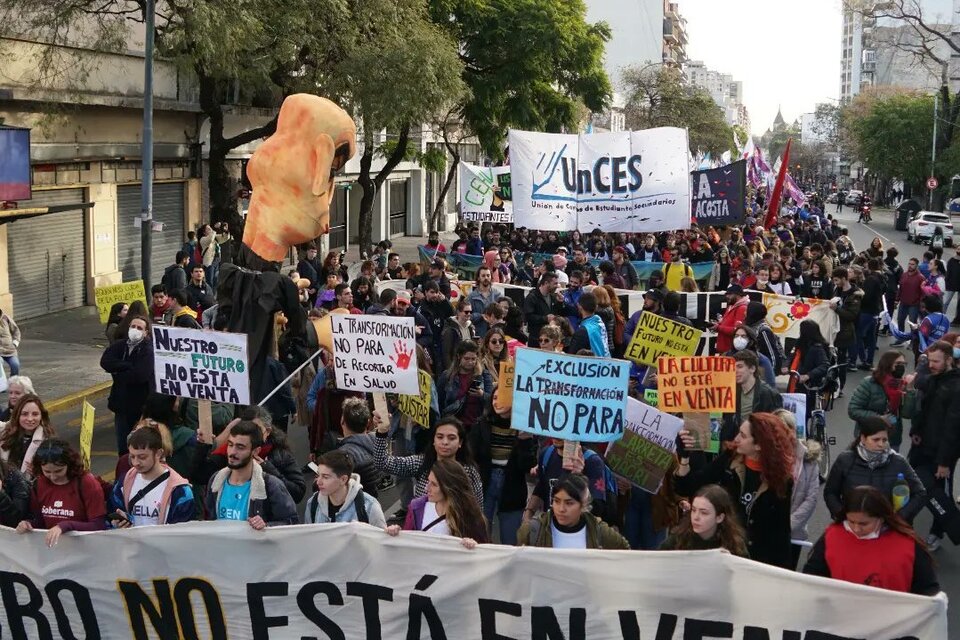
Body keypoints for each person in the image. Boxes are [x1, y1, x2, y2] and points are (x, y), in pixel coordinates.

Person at [676, 412, 795, 568]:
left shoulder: (782, 480)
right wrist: (685, 458)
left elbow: (781, 532)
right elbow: (688, 486)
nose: (737, 438)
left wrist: (783, 576)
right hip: (725, 553)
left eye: (743, 436)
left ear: (759, 445)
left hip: (758, 561)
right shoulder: (729, 459)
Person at [804, 485, 939, 596]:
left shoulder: (907, 543)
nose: (856, 529)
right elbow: (813, 574)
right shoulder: (832, 536)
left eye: (864, 524)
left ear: (881, 518)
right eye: (851, 521)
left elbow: (927, 588)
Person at [905, 340, 960, 550]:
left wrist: (945, 462)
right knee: (912, 485)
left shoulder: (956, 387)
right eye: (930, 360)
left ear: (949, 360)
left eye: (936, 361)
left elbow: (953, 429)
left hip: (942, 453)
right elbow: (923, 410)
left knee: (940, 495)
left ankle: (937, 533)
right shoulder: (932, 379)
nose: (932, 364)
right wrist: (916, 431)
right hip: (921, 445)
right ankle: (904, 527)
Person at [824, 415, 925, 523]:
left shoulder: (898, 462)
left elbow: (920, 493)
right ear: (863, 438)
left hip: (888, 528)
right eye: (876, 439)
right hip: (853, 526)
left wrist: (899, 518)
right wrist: (843, 517)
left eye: (884, 440)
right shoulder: (845, 460)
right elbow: (830, 492)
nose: (881, 444)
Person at [374, 414, 484, 507]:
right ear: (433, 441)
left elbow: (477, 510)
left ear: (460, 442)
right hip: (423, 530)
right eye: (440, 437)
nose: (445, 442)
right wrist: (382, 432)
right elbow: (382, 463)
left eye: (451, 438)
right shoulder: (421, 462)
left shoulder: (469, 472)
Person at [204, 420, 299, 528]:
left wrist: (266, 526)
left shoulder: (271, 485)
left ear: (255, 451)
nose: (232, 452)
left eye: (240, 447)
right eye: (230, 445)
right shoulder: (216, 481)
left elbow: (291, 523)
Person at [470, 392, 536, 545]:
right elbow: (471, 456)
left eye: (503, 397)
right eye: (494, 398)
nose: (497, 402)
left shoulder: (524, 428)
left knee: (511, 540)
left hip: (512, 486)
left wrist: (524, 442)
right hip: (484, 483)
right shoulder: (481, 425)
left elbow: (527, 465)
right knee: (480, 537)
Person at [15, 439, 107, 547]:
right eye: (47, 472)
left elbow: (98, 525)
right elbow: (40, 521)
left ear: (69, 464)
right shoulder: (39, 483)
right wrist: (28, 524)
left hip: (85, 550)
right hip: (53, 551)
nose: (53, 477)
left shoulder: (86, 483)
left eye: (58, 471)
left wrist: (65, 526)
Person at [386, 458, 489, 548]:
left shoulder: (470, 517)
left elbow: (485, 554)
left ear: (450, 488)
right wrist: (396, 533)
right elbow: (406, 544)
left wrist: (475, 547)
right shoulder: (417, 507)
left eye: (434, 484)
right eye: (428, 481)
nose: (427, 488)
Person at [108, 425, 195, 527]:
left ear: (158, 453)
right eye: (132, 456)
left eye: (142, 457)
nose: (136, 463)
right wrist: (116, 524)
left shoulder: (180, 491)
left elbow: (181, 533)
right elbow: (110, 516)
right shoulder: (124, 482)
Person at [517, 473, 629, 549]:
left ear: (583, 505)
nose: (561, 509)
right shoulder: (532, 531)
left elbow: (626, 555)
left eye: (569, 503)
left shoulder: (600, 531)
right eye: (556, 501)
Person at [100, 315, 155, 455]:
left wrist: (118, 373)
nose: (135, 330)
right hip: (120, 405)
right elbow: (106, 361)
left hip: (139, 407)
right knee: (123, 447)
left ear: (146, 332)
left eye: (139, 328)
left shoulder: (147, 350)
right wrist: (127, 365)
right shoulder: (121, 345)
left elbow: (140, 375)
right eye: (133, 326)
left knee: (139, 446)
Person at [659, 484, 749, 556]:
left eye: (704, 513)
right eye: (693, 510)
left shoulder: (735, 545)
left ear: (719, 517)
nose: (696, 517)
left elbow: (746, 573)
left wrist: (730, 563)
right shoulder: (678, 539)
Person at [304, 451, 387, 527]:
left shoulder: (369, 507)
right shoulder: (313, 503)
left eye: (325, 477)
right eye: (318, 475)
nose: (318, 482)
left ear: (343, 479)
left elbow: (381, 540)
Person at [848, 351, 907, 450]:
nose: (901, 367)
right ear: (887, 364)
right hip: (869, 437)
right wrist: (879, 418)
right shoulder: (869, 383)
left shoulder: (903, 385)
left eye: (903, 364)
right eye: (898, 364)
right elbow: (853, 410)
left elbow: (907, 414)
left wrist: (910, 392)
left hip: (892, 439)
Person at [719, 350, 782, 442]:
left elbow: (776, 426)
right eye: (733, 367)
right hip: (736, 444)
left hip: (758, 444)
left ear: (752, 369)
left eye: (739, 367)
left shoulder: (768, 394)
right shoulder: (731, 391)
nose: (735, 371)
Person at [438, 340, 492, 433]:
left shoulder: (484, 375)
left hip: (477, 425)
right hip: (453, 424)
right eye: (466, 359)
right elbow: (440, 402)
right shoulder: (447, 376)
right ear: (459, 357)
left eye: (473, 359)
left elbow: (491, 400)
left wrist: (482, 394)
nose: (470, 362)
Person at [0, 393, 55, 479]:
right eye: (24, 414)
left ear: (41, 416)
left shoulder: (49, 442)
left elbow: (55, 475)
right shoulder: (4, 431)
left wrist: (39, 473)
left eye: (35, 414)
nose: (30, 419)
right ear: (17, 415)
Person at [522, 272, 562, 347]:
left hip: (550, 340)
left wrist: (560, 303)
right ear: (546, 283)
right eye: (555, 283)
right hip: (536, 339)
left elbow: (557, 313)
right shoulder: (531, 297)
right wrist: (545, 319)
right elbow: (528, 317)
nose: (557, 286)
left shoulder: (553, 297)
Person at [566, 291, 610, 357]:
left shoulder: (583, 331)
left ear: (579, 306)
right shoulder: (599, 322)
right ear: (596, 307)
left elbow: (571, 356)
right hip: (607, 362)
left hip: (594, 365)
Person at [894, 258, 925, 345]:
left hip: (914, 305)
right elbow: (900, 288)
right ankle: (901, 338)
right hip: (903, 303)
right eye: (909, 264)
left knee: (912, 324)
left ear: (916, 266)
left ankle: (913, 341)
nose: (910, 266)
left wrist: (921, 304)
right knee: (900, 320)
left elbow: (923, 293)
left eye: (912, 264)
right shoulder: (904, 275)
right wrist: (897, 300)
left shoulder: (921, 277)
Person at [714, 285, 750, 353]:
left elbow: (737, 330)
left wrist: (718, 327)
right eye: (727, 294)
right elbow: (725, 323)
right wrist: (717, 324)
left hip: (732, 352)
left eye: (730, 294)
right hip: (725, 350)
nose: (727, 296)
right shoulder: (731, 306)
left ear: (738, 295)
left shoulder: (742, 308)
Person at [468, 266, 501, 336]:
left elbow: (503, 315)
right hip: (479, 335)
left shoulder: (498, 295)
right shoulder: (471, 297)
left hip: (495, 335)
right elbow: (466, 316)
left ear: (491, 277)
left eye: (488, 275)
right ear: (478, 278)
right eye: (483, 276)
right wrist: (480, 316)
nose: (486, 278)